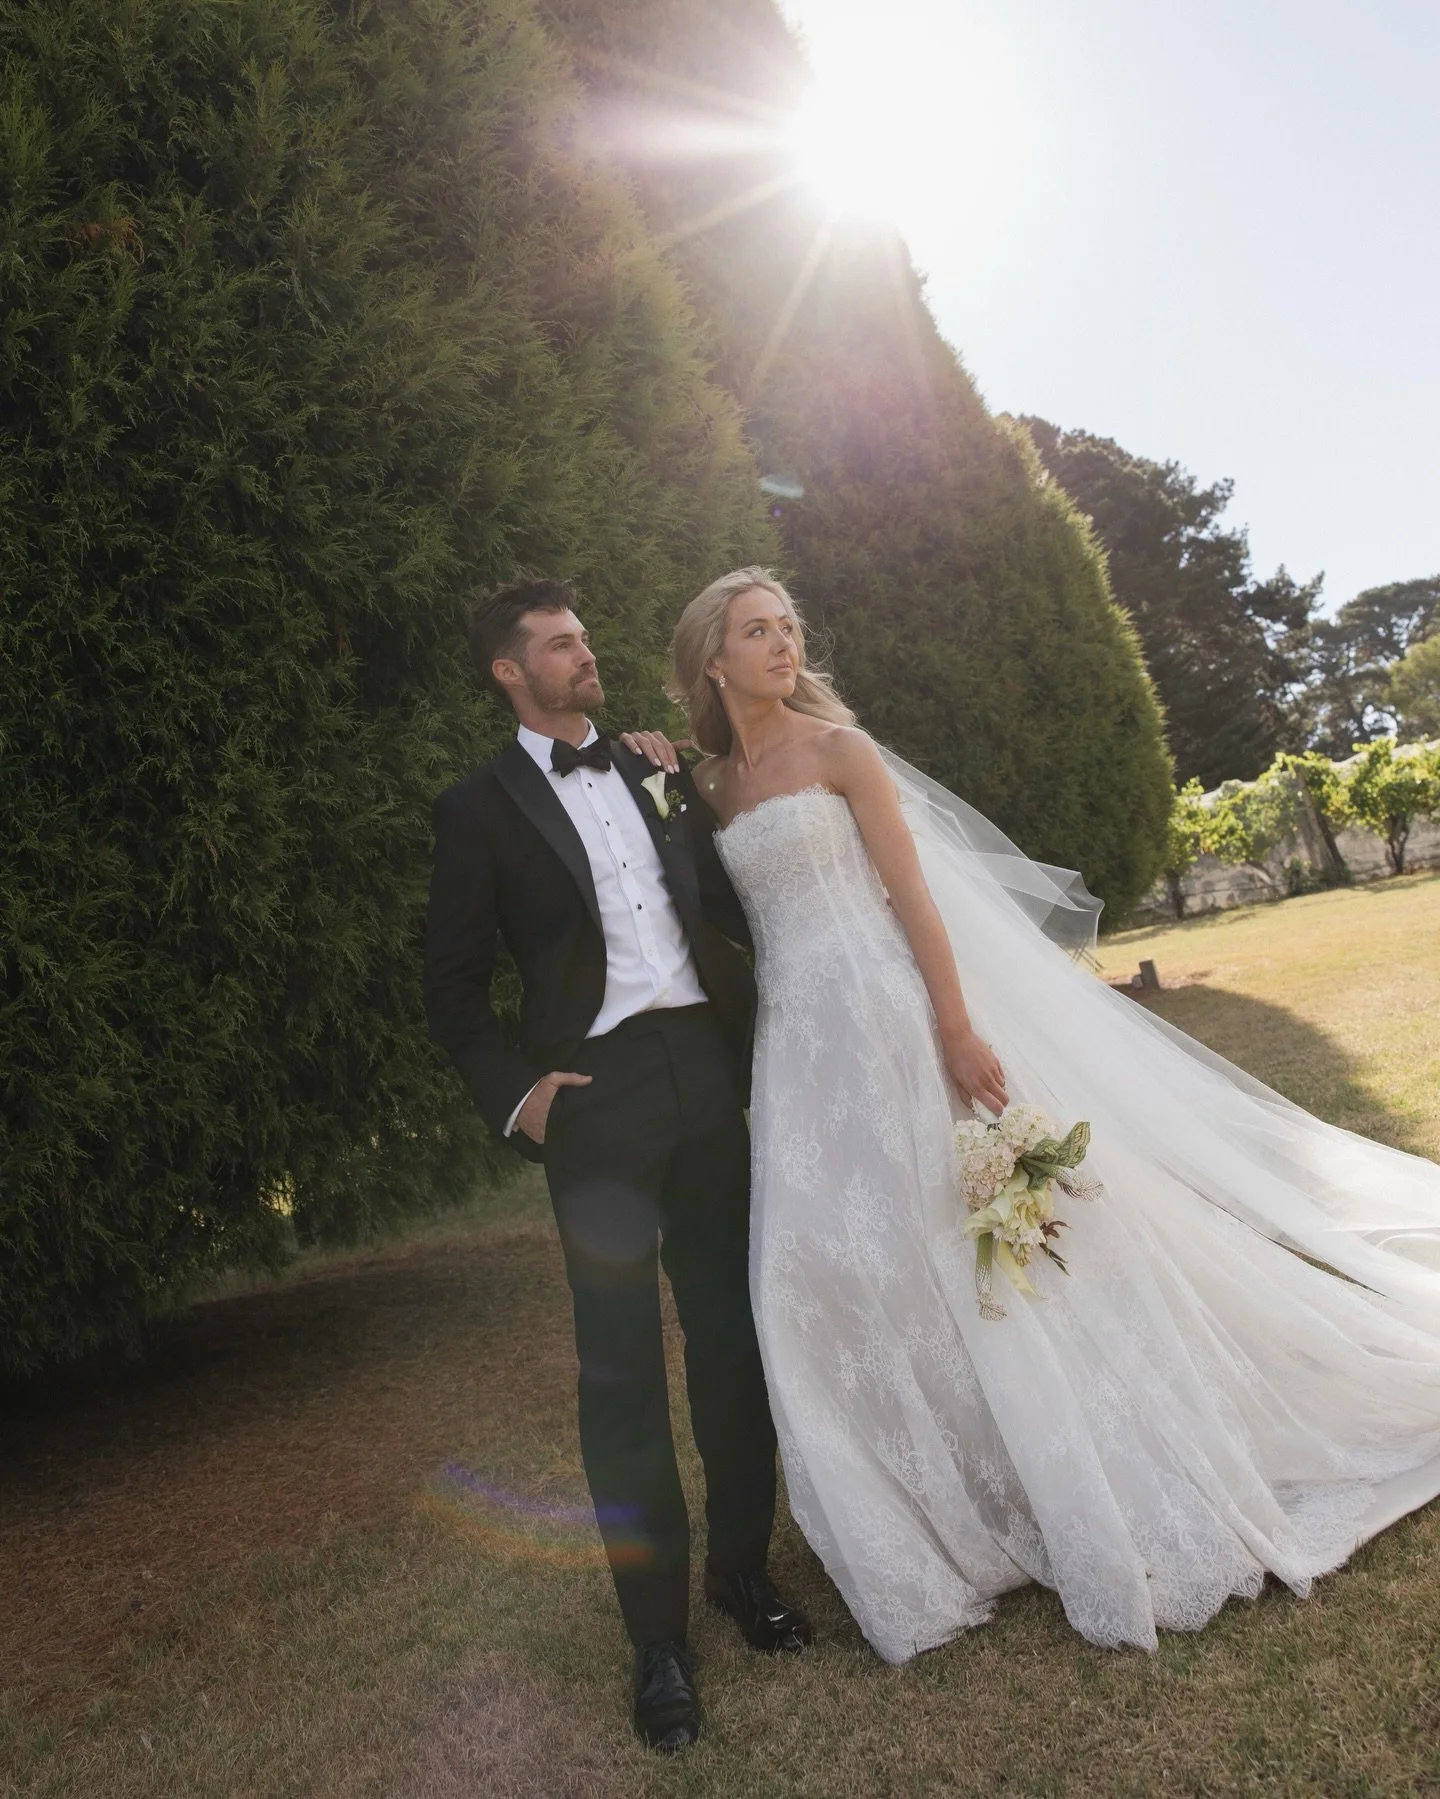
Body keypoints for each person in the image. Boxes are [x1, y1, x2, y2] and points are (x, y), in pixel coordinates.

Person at [662, 564, 1440, 1663]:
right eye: (757, 630)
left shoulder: (841, 752)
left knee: (967, 1250)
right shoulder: (708, 791)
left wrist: (956, 1027)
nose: (783, 643)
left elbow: (913, 896)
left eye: (788, 625)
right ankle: (937, 1495)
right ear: (712, 659)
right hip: (800, 1052)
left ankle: (1061, 1467)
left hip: (890, 1016)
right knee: (835, 1267)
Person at [423, 577, 811, 1753]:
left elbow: (743, 899)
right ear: (509, 671)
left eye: (584, 637)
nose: (583, 655)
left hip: (706, 1066)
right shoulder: (477, 808)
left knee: (734, 1334)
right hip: (593, 1102)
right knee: (622, 1373)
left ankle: (744, 1570)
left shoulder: (654, 765)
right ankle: (658, 1641)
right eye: (557, 645)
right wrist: (519, 1097)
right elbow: (450, 984)